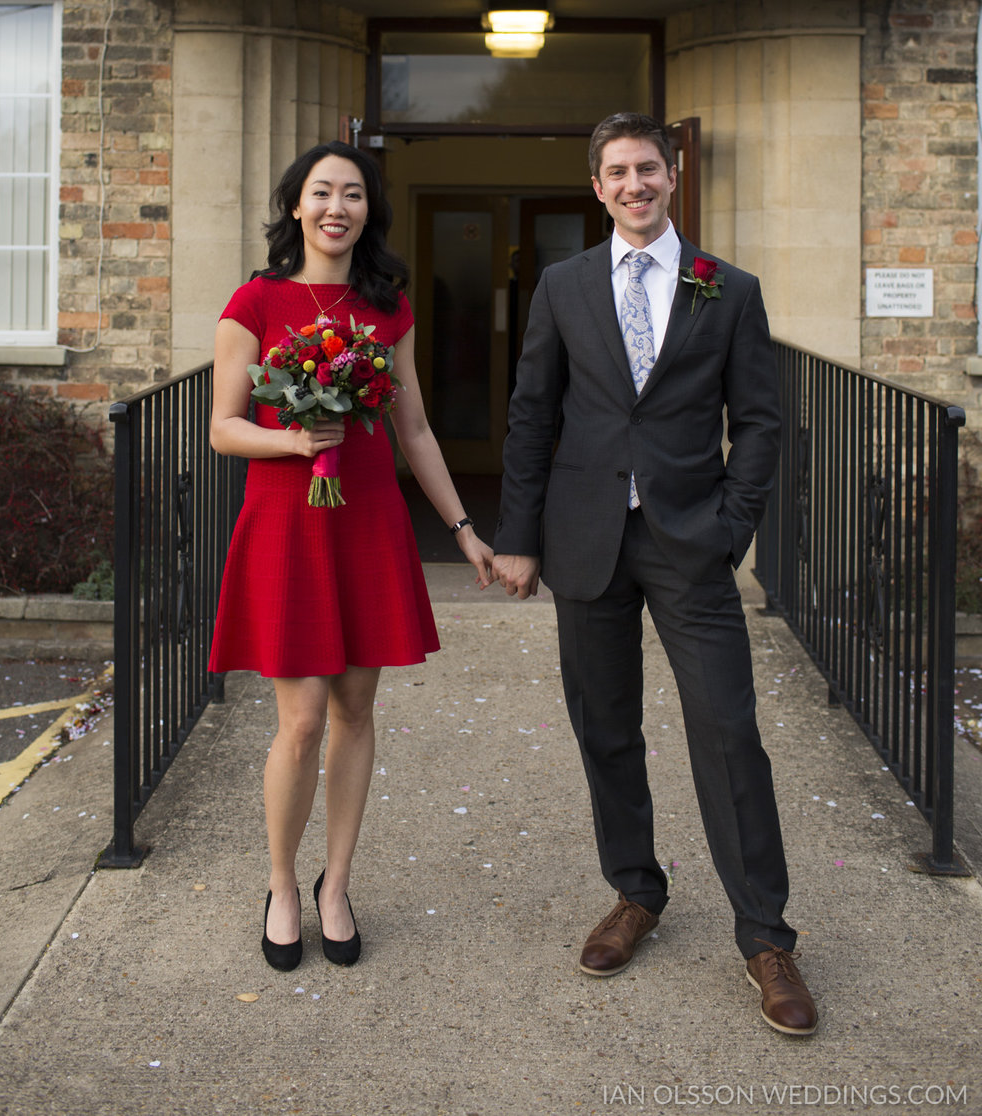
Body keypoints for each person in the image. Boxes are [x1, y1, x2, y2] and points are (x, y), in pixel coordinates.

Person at [491, 112, 817, 1036]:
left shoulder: (728, 289)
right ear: (597, 188)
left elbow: (759, 420)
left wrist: (730, 528)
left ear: (672, 176)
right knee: (606, 727)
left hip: (690, 541)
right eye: (616, 173)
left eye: (648, 169)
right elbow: (531, 417)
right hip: (583, 537)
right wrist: (519, 537)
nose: (634, 185)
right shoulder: (562, 285)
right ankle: (636, 892)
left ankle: (766, 936)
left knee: (727, 728)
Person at [209, 140, 493, 972]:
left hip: (366, 520)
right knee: (299, 724)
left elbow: (413, 429)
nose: (339, 207)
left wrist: (465, 529)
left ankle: (337, 884)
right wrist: (294, 439)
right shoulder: (254, 301)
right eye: (323, 192)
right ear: (296, 205)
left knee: (356, 713)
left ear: (370, 210)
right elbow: (225, 427)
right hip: (289, 525)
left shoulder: (387, 305)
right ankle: (283, 885)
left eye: (355, 194)